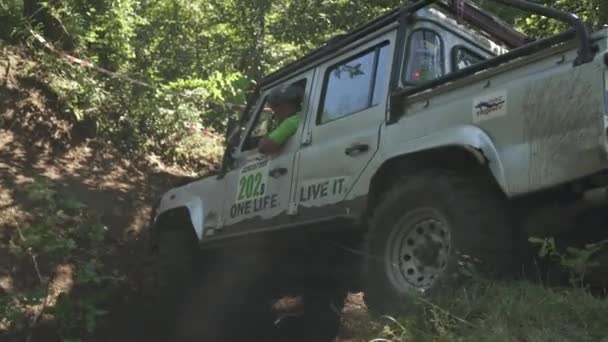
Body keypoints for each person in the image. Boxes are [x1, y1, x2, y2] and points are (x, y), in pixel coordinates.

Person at [258, 84, 303, 155]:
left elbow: (264, 147)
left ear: (282, 106)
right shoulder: (302, 116)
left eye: (274, 109)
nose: (275, 113)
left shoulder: (292, 122)